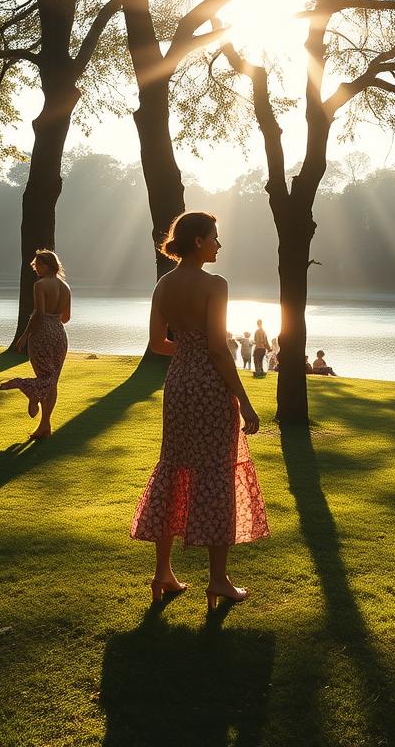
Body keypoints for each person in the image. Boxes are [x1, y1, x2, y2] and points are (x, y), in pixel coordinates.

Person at [131, 211, 268, 609]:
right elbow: (217, 348)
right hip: (209, 388)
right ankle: (219, 581)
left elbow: (158, 343)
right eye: (214, 238)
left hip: (178, 385)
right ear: (197, 242)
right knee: (215, 475)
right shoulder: (215, 284)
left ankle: (163, 573)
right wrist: (244, 400)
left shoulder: (163, 285)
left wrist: (186, 350)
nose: (219, 245)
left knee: (173, 469)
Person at [0, 250, 71, 440]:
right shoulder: (66, 287)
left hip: (42, 333)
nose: (36, 268)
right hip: (60, 335)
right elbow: (66, 318)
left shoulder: (40, 285)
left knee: (45, 376)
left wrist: (24, 336)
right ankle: (45, 425)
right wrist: (54, 319)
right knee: (52, 380)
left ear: (50, 265)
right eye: (35, 265)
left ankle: (23, 385)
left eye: (40, 265)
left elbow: (39, 313)